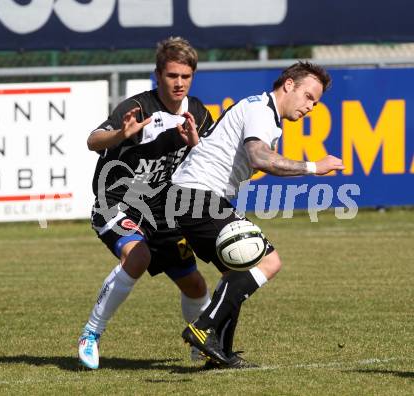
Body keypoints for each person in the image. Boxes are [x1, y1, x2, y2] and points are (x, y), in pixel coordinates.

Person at [167, 61, 345, 369]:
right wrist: (315, 167)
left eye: (316, 102)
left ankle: (219, 352)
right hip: (199, 196)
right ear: (288, 84)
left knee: (237, 271)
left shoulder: (259, 109)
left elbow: (216, 148)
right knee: (268, 261)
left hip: (191, 196)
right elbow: (260, 157)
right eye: (308, 96)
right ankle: (203, 327)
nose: (311, 107)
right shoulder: (262, 112)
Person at [78, 37, 214, 369]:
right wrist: (121, 134)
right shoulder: (137, 108)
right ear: (158, 75)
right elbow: (93, 140)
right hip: (115, 202)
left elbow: (208, 162)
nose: (179, 83)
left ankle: (201, 342)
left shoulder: (197, 112)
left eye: (185, 76)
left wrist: (197, 144)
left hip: (162, 210)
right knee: (137, 255)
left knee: (194, 284)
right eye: (172, 76)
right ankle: (90, 334)